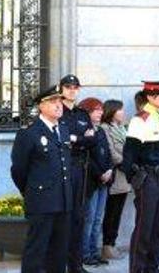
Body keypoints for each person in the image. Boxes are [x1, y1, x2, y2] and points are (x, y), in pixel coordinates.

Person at [10, 85, 72, 273]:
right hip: (41, 201)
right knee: (36, 251)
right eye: (52, 101)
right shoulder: (29, 133)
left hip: (63, 201)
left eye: (59, 101)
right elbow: (19, 169)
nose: (58, 105)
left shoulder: (63, 129)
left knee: (59, 252)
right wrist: (30, 191)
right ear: (41, 106)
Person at [122, 80, 159, 273]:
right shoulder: (140, 120)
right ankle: (138, 269)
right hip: (149, 177)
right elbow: (129, 154)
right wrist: (137, 180)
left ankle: (152, 267)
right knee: (144, 227)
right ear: (150, 97)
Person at [58, 74, 96, 273]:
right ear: (61, 88)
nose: (72, 90)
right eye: (68, 86)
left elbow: (93, 140)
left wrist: (76, 139)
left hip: (82, 168)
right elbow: (62, 139)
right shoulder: (57, 111)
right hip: (64, 168)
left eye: (75, 87)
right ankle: (59, 264)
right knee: (63, 216)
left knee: (79, 217)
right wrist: (80, 138)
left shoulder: (82, 114)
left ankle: (76, 265)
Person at [80, 98, 113, 267]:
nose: (100, 113)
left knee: (98, 219)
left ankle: (95, 252)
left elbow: (107, 152)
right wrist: (100, 173)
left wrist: (109, 170)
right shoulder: (84, 131)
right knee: (89, 218)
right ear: (87, 112)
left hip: (104, 181)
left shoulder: (100, 131)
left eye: (101, 109)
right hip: (92, 182)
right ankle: (85, 254)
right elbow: (87, 157)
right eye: (96, 110)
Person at [100, 99, 129, 261]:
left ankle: (112, 242)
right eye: (120, 110)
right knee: (110, 211)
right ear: (111, 111)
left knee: (118, 211)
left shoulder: (122, 128)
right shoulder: (105, 129)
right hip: (116, 175)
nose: (123, 112)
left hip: (125, 176)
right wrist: (127, 161)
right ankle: (107, 245)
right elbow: (111, 152)